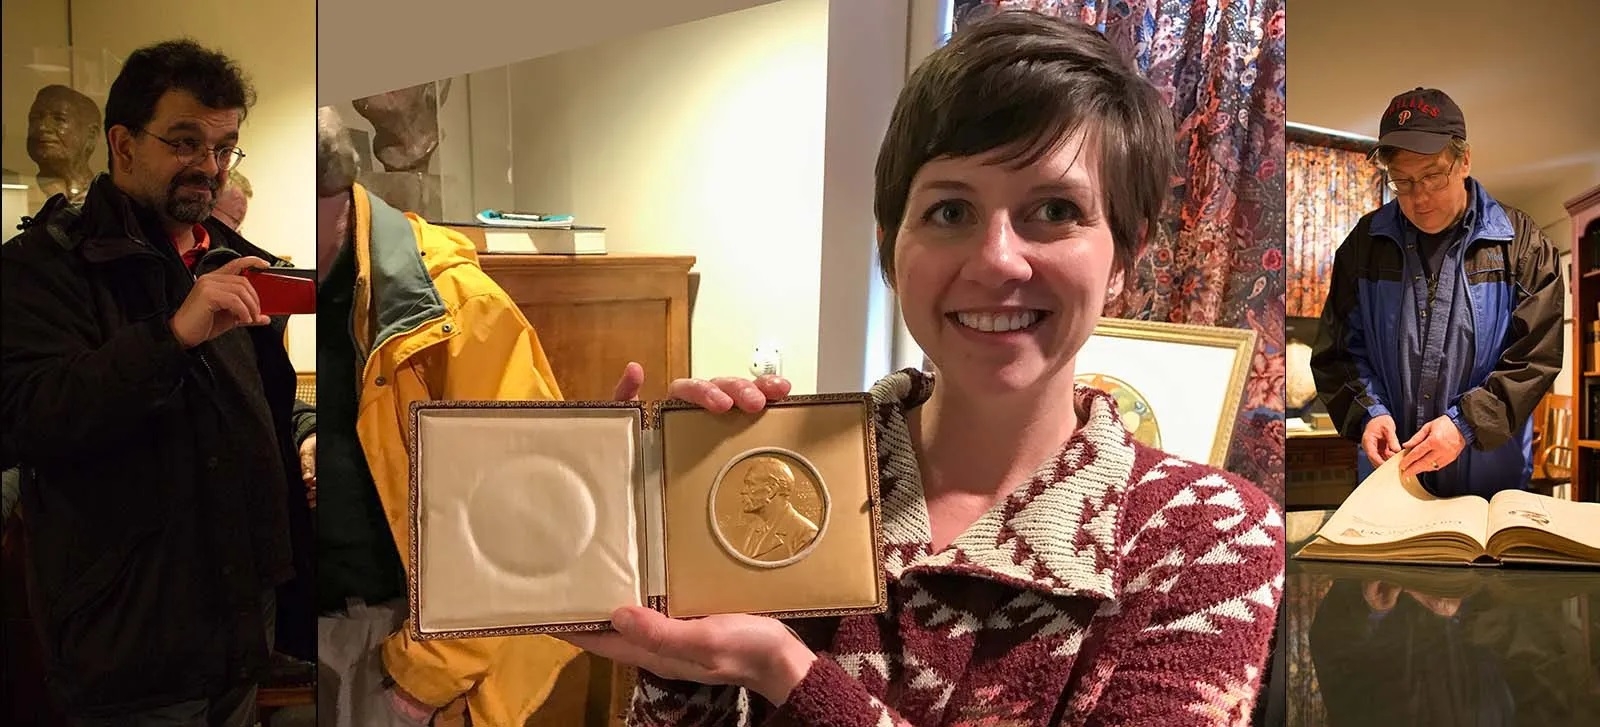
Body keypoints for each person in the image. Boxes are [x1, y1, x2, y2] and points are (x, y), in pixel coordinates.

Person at [565, 11, 1284, 726]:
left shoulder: (1208, 538)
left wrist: (785, 670)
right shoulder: (780, 473)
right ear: (890, 244)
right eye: (950, 212)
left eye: (1055, 209)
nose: (997, 259)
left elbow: (780, 672)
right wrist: (670, 639)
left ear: (1125, 255)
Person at [311, 106, 790, 726]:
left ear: (337, 196)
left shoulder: (460, 306)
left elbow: (525, 525)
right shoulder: (293, 281)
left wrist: (422, 681)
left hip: (389, 645)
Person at [0, 39, 315, 725]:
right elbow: (30, 416)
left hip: (239, 623)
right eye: (184, 142)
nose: (209, 166)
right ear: (122, 144)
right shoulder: (40, 266)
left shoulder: (232, 261)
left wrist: (307, 433)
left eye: (225, 147)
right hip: (131, 641)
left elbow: (254, 407)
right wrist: (171, 336)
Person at [1310, 87, 1564, 497]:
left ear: (1464, 160)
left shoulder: (1523, 245)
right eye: (1403, 182)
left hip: (1489, 485)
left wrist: (1466, 425)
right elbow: (1338, 354)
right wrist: (1369, 414)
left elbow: (1535, 359)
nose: (1420, 197)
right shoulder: (1364, 245)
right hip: (1390, 483)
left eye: (1432, 176)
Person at [26, 84, 101, 204]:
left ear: (91, 135)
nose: (42, 127)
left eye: (59, 119)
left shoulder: (106, 200)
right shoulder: (22, 190)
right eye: (36, 118)